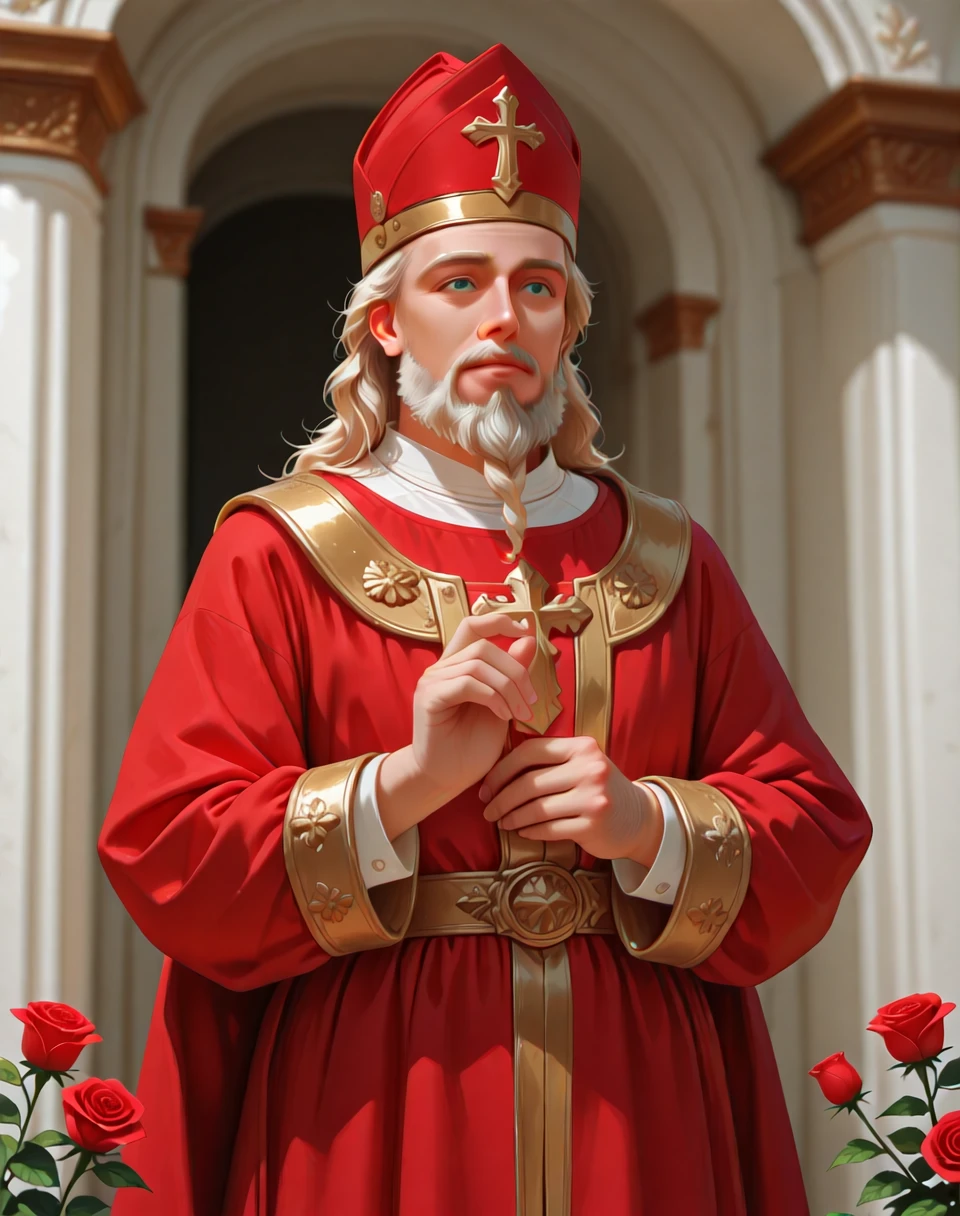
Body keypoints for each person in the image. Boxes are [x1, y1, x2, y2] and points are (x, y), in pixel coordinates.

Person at [98, 43, 873, 1216]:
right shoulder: (281, 549)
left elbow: (813, 826)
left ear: (568, 324)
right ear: (386, 322)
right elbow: (169, 847)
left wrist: (642, 822)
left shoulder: (670, 561)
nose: (503, 317)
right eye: (459, 283)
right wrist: (403, 785)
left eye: (538, 287)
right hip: (372, 1098)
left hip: (639, 1106)